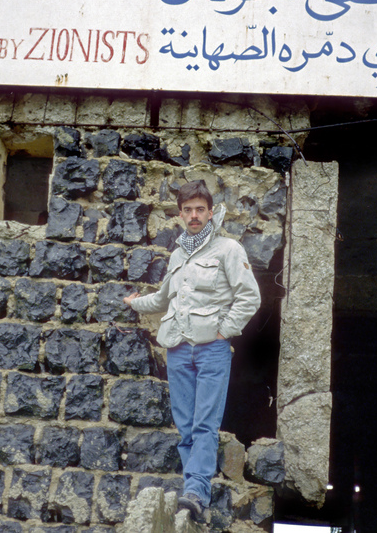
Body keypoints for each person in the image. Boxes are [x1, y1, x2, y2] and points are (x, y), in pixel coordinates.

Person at [123, 180, 261, 522]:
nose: (194, 215)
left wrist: (223, 331)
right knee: (185, 425)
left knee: (204, 424)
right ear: (181, 214)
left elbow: (250, 297)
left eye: (200, 209)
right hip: (178, 349)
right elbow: (162, 298)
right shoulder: (178, 254)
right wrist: (134, 303)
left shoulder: (228, 249)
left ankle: (197, 491)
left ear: (210, 212)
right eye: (188, 210)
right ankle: (192, 490)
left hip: (212, 349)